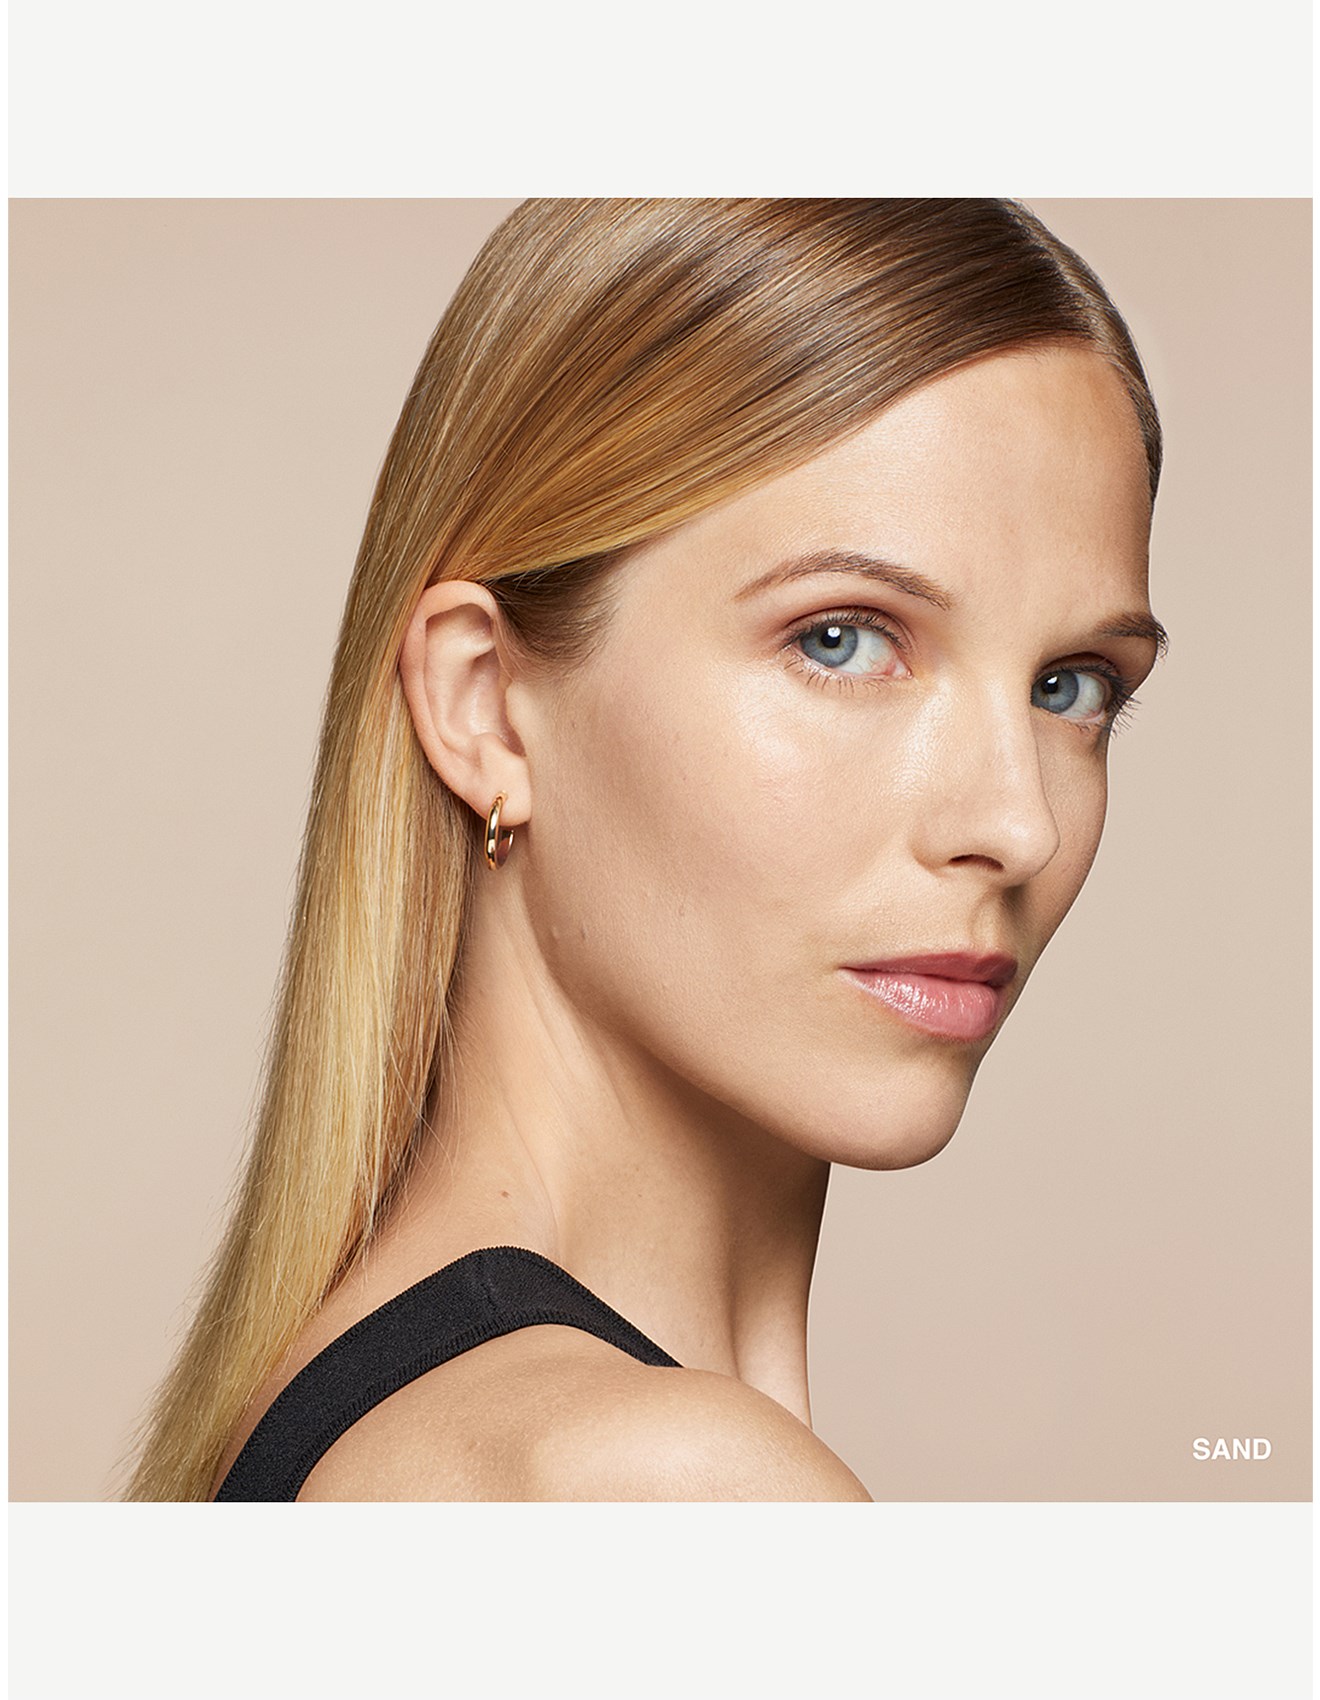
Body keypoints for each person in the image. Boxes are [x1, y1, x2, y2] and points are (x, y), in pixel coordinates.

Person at [124, 198, 1167, 1502]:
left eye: (1073, 685)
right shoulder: (662, 1483)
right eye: (841, 639)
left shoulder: (353, 1422)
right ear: (486, 705)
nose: (1018, 825)